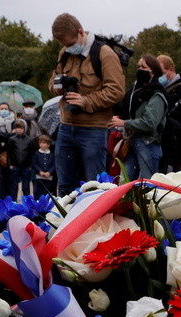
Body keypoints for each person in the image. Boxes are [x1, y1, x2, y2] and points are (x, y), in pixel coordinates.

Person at [49, 13, 126, 194]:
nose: (67, 48)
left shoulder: (104, 54)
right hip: (66, 127)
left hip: (93, 130)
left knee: (94, 187)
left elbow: (117, 90)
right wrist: (59, 86)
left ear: (80, 32)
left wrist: (86, 101)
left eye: (69, 43)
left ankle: (96, 223)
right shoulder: (65, 53)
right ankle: (67, 221)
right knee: (65, 185)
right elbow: (52, 80)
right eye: (63, 45)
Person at [110, 54, 167, 181]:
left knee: (147, 187)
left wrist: (124, 123)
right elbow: (126, 110)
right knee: (124, 185)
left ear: (153, 71)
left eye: (143, 67)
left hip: (148, 143)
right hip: (131, 141)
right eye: (138, 66)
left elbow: (150, 122)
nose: (139, 69)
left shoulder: (157, 94)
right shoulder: (134, 92)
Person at [158, 55, 181, 173]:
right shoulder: (160, 89)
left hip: (175, 142)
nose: (160, 76)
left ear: (170, 69)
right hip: (162, 140)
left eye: (162, 72)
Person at [4, 119, 36, 199]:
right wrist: (10, 164)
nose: (19, 130)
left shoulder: (29, 140)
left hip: (26, 166)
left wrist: (30, 165)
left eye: (21, 128)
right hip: (15, 165)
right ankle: (14, 202)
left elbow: (31, 153)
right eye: (17, 128)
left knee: (26, 186)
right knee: (14, 186)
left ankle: (27, 202)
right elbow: (9, 152)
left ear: (24, 129)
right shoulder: (12, 139)